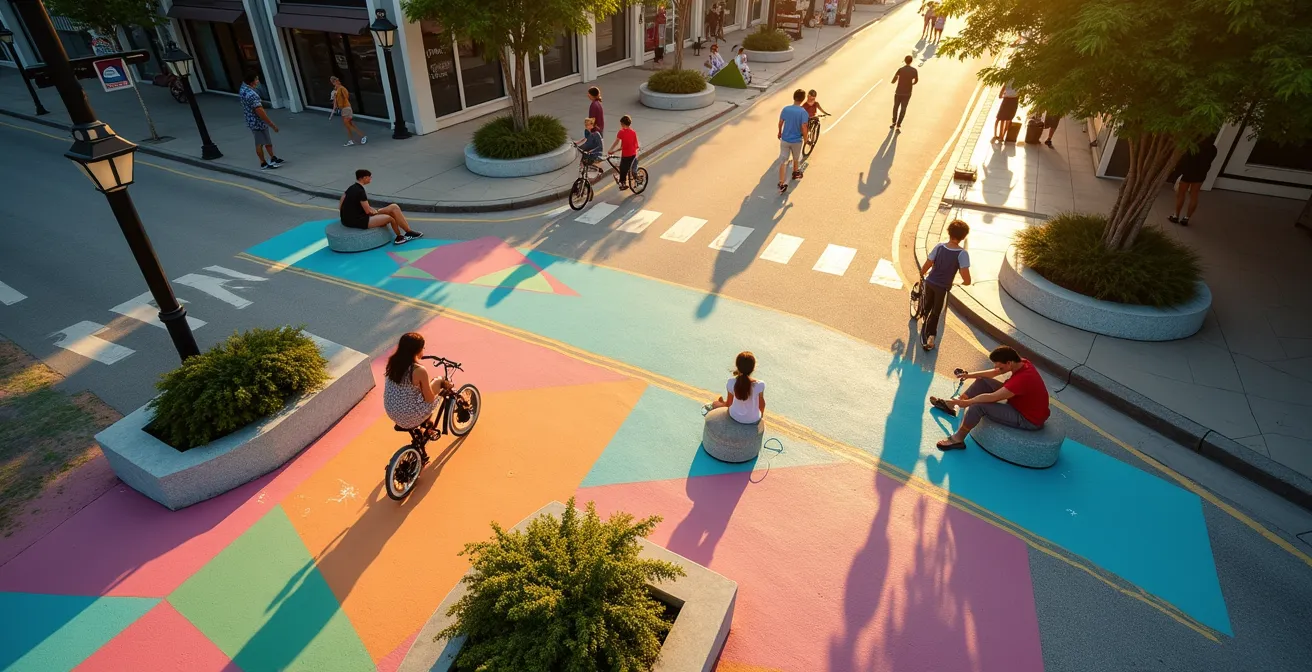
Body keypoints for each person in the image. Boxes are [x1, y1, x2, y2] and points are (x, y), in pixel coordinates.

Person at [929, 346, 1051, 451]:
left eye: (1001, 367)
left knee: (977, 406)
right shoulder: (1021, 362)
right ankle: (953, 406)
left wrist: (967, 403)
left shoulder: (1021, 380)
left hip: (1027, 419)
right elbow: (993, 373)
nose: (999, 369)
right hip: (1018, 400)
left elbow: (992, 397)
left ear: (1009, 363)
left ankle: (958, 439)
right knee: (983, 381)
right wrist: (968, 375)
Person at [383, 333, 453, 446]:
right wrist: (439, 382)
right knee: (437, 383)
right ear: (418, 350)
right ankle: (426, 423)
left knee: (416, 395)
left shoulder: (392, 362)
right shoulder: (419, 370)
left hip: (392, 411)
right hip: (408, 415)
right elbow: (429, 399)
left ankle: (425, 423)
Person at [917, 219, 972, 351]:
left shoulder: (939, 247)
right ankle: (930, 337)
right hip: (942, 288)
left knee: (928, 305)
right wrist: (963, 282)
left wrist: (922, 273)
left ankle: (923, 315)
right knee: (936, 313)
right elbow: (967, 278)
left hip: (930, 281)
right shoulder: (962, 254)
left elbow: (928, 262)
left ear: (949, 232)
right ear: (963, 237)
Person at [339, 169, 422, 245]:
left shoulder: (351, 188)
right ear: (364, 178)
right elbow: (368, 212)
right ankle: (399, 237)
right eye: (369, 177)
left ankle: (409, 231)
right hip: (359, 220)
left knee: (394, 207)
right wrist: (376, 212)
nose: (371, 178)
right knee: (390, 218)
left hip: (349, 218)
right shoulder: (360, 191)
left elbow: (341, 203)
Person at [239, 72, 284, 171]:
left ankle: (272, 157)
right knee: (259, 143)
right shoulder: (252, 95)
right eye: (256, 79)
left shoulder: (243, 89)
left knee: (267, 140)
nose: (258, 81)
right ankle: (263, 163)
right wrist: (272, 125)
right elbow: (260, 111)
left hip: (251, 120)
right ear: (251, 82)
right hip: (257, 122)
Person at [1169, 139, 1218, 227]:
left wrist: (1177, 172)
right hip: (1200, 175)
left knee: (1181, 194)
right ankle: (1186, 218)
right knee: (1194, 196)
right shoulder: (1213, 149)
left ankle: (1176, 216)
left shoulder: (1194, 147)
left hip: (1188, 173)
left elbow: (1184, 161)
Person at [707, 351, 766, 424]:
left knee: (715, 404)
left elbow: (728, 404)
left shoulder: (731, 382)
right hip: (753, 419)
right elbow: (762, 404)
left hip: (734, 416)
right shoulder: (760, 385)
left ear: (737, 366)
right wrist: (761, 416)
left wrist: (719, 404)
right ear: (753, 368)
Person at [777, 88, 810, 193]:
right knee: (796, 158)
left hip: (785, 139)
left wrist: (779, 132)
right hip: (796, 141)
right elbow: (804, 127)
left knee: (783, 161)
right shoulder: (803, 112)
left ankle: (781, 183)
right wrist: (806, 139)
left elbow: (781, 122)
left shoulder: (786, 109)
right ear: (803, 99)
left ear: (794, 97)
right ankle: (795, 172)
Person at [330, 76, 367, 147]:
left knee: (348, 125)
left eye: (334, 82)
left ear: (336, 81)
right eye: (333, 82)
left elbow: (346, 97)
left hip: (346, 108)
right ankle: (351, 140)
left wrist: (338, 99)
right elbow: (335, 101)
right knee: (349, 125)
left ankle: (362, 136)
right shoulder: (336, 90)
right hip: (343, 109)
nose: (334, 83)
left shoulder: (341, 88)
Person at [608, 115, 640, 190]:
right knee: (625, 167)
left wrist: (611, 150)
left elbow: (616, 142)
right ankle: (629, 178)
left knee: (623, 169)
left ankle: (623, 183)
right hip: (633, 154)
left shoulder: (621, 132)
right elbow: (635, 145)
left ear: (623, 124)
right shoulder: (633, 132)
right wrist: (616, 150)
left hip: (627, 155)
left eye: (621, 124)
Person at [890, 55, 918, 131]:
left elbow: (894, 79)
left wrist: (893, 81)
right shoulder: (914, 70)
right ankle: (898, 125)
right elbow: (916, 81)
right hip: (907, 93)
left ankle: (893, 122)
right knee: (903, 108)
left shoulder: (901, 70)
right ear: (911, 61)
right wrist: (911, 84)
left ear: (905, 61)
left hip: (899, 92)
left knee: (896, 107)